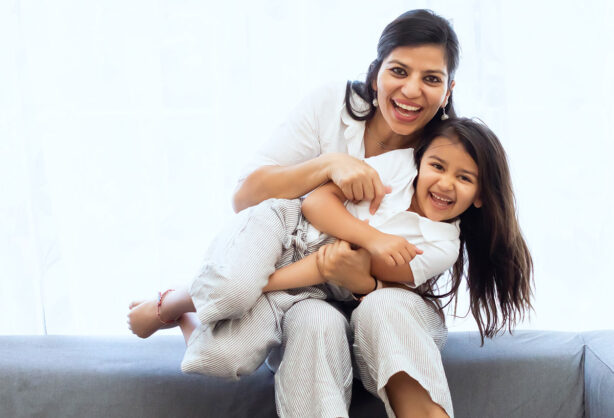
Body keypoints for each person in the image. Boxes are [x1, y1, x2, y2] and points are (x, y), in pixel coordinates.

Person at [128, 10, 533, 418]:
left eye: (431, 78)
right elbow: (252, 198)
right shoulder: (361, 129)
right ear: (376, 72)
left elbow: (364, 271)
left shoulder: (439, 152)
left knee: (379, 306)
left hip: (372, 299)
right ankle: (175, 304)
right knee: (287, 328)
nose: (412, 90)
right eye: (398, 71)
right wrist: (328, 165)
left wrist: (358, 276)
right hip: (301, 275)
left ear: (448, 90)